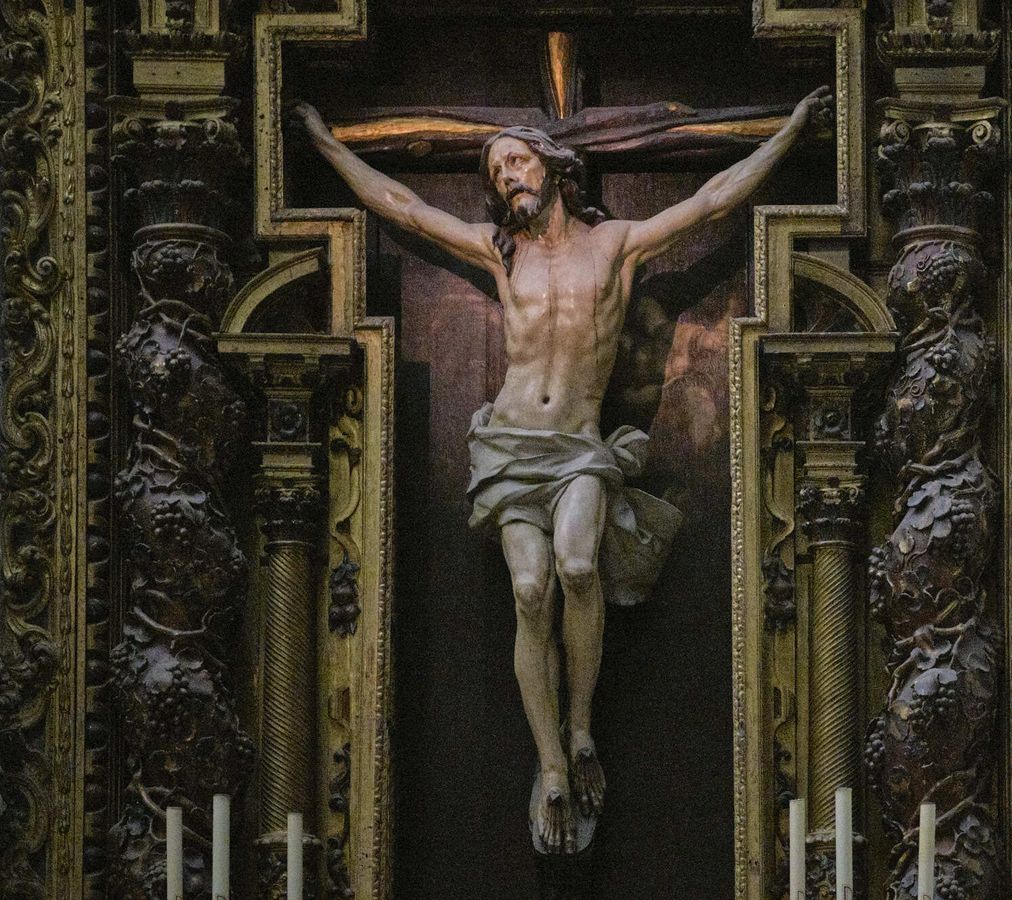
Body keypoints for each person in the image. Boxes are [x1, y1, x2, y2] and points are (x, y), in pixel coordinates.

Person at [295, 84, 831, 852]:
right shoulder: (497, 250)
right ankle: (550, 765)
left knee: (578, 564)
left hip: (578, 446)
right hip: (511, 447)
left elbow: (714, 198)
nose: (506, 178)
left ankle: (581, 727)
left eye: (515, 161)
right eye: (496, 172)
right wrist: (326, 143)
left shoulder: (615, 246)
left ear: (550, 164)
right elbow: (403, 207)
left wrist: (790, 132)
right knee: (528, 584)